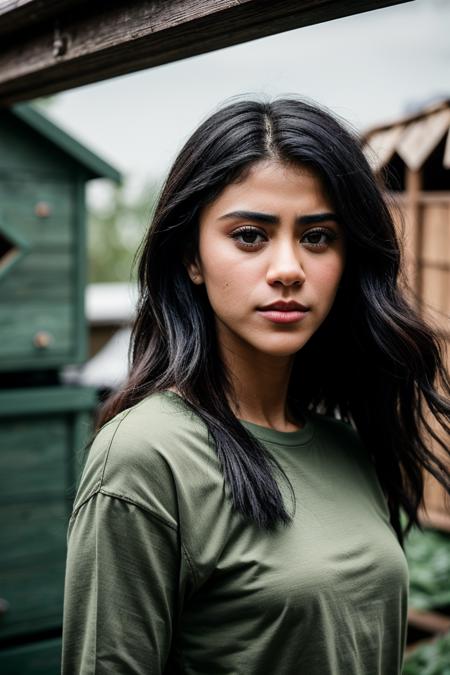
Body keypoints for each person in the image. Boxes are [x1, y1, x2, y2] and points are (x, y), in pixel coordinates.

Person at [61, 97, 450, 674]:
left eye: (318, 237)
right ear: (192, 256)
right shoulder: (147, 456)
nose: (288, 267)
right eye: (250, 235)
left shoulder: (346, 444)